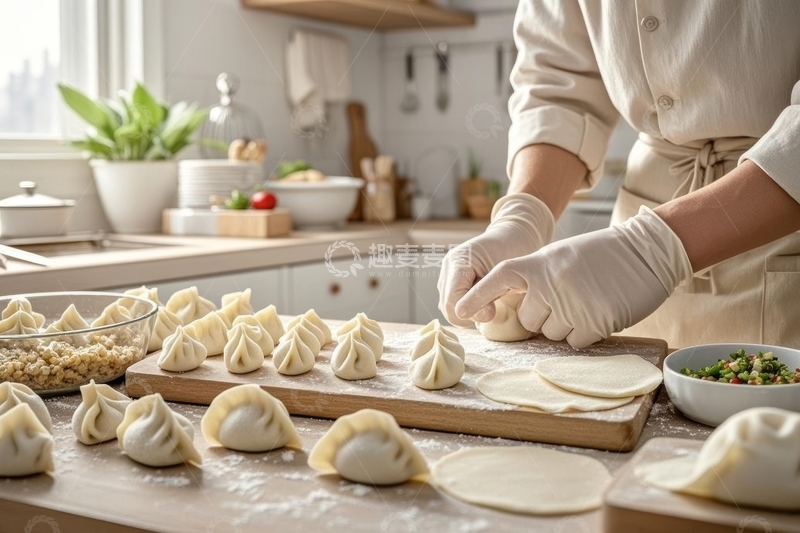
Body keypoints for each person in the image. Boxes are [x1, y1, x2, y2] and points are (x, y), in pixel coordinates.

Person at [439, 1, 800, 349]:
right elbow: (561, 88)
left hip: (776, 214)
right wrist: (522, 217)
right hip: (641, 218)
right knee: (636, 398)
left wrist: (652, 250)